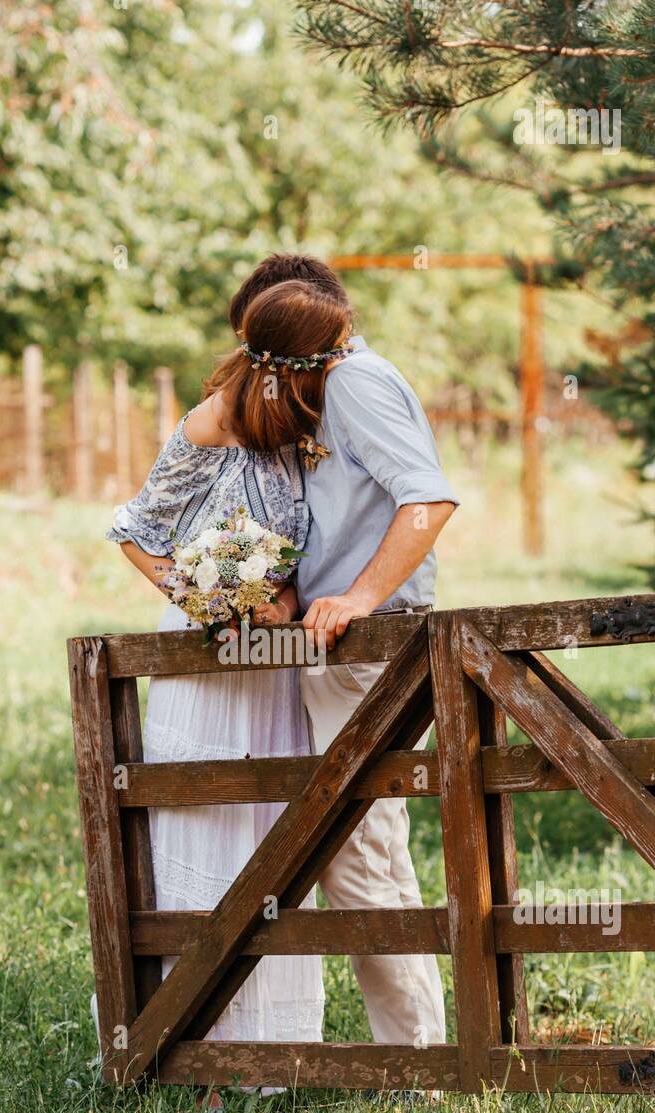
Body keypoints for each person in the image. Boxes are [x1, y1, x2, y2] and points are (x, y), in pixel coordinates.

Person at [102, 277, 360, 1072]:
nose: (343, 365)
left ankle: (268, 1049)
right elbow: (134, 529)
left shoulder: (310, 424)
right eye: (333, 354)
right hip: (207, 663)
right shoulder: (211, 423)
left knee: (272, 835)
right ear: (288, 363)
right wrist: (200, 595)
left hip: (276, 672)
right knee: (207, 825)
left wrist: (283, 593)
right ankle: (186, 1039)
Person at [230, 255, 460, 1054]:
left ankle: (416, 1059)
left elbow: (426, 500)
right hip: (334, 641)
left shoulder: (356, 383)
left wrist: (359, 597)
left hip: (372, 641)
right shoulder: (332, 386)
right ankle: (418, 1048)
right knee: (363, 846)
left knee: (356, 849)